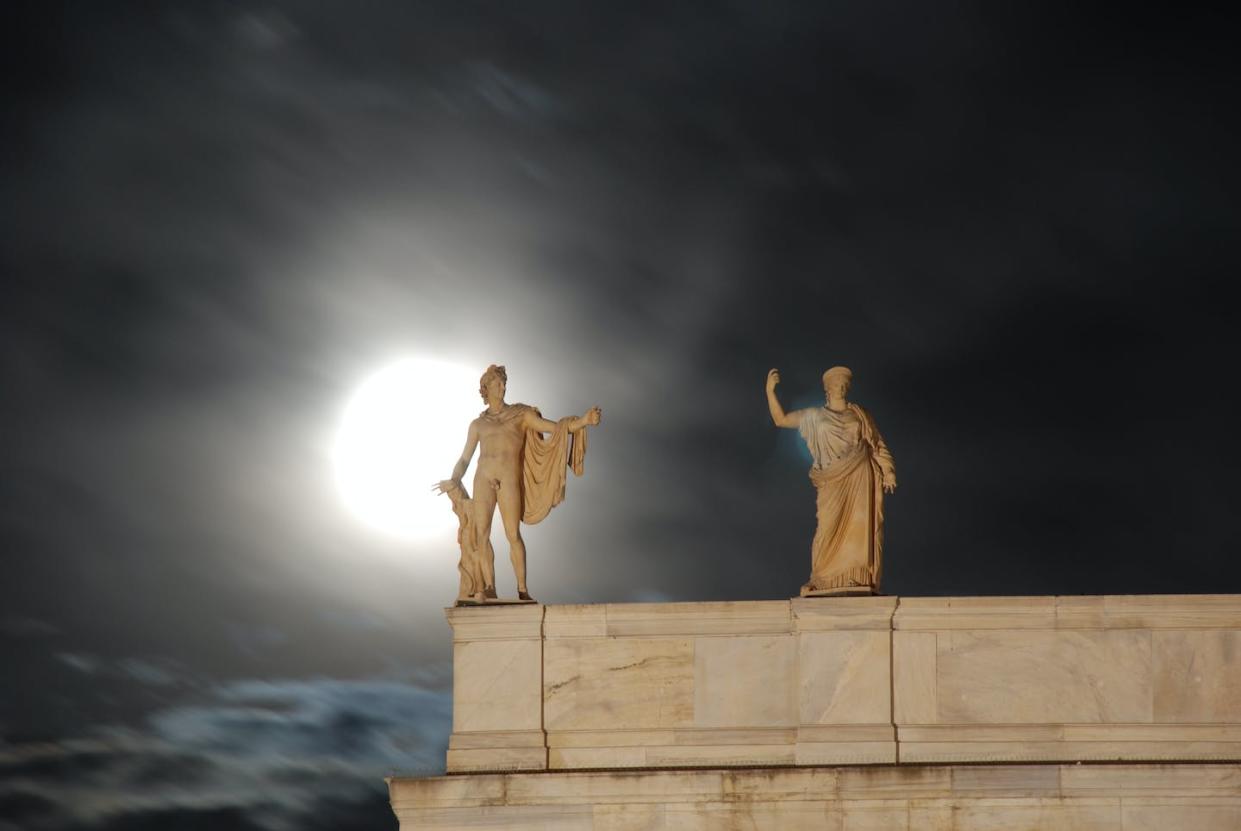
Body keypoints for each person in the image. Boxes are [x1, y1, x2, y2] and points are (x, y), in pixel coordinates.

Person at [437, 365, 601, 601]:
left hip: (508, 477)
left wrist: (583, 421)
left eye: (504, 382)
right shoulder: (478, 424)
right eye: (497, 383)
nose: (503, 387)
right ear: (486, 388)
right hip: (482, 478)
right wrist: (454, 479)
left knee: (513, 534)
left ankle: (522, 589)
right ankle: (489, 586)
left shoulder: (521, 414)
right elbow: (465, 458)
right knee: (481, 534)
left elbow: (555, 429)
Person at [766, 366, 896, 594]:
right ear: (827, 389)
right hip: (831, 479)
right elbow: (781, 420)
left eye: (844, 384)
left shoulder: (860, 414)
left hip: (860, 473)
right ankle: (822, 578)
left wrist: (888, 470)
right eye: (836, 384)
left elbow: (877, 444)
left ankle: (856, 576)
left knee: (859, 528)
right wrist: (770, 392)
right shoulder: (815, 416)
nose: (840, 387)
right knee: (827, 526)